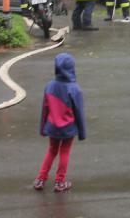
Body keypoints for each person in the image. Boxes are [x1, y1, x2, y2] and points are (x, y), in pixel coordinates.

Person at [33, 53, 87, 193]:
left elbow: (45, 108)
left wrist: (43, 128)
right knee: (64, 152)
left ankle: (40, 179)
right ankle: (60, 182)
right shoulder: (75, 89)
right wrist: (82, 133)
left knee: (52, 151)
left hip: (52, 127)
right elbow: (79, 113)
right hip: (68, 128)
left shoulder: (49, 86)